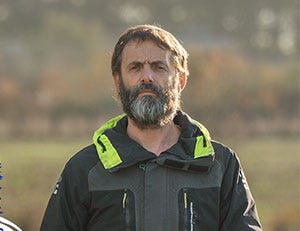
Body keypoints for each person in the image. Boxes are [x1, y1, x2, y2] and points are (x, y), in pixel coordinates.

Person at [40, 24, 262, 231]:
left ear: (181, 80)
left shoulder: (221, 165)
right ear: (118, 82)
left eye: (159, 67)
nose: (147, 77)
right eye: (135, 68)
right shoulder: (84, 169)